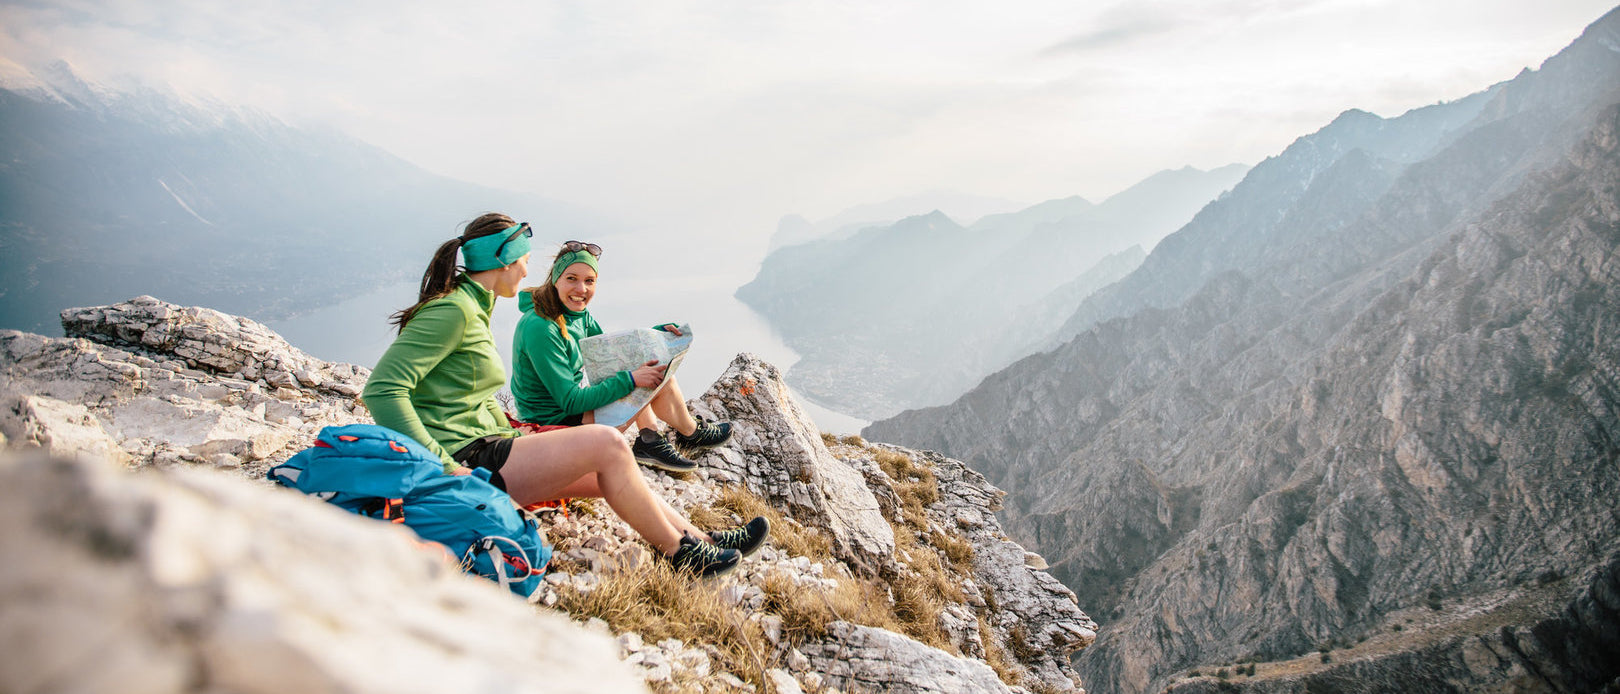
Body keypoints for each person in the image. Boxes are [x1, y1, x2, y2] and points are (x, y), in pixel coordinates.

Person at [361, 213, 766, 577]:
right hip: (469, 458)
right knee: (608, 445)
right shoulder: (455, 310)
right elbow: (383, 390)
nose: (526, 270)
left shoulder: (474, 305)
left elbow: (471, 394)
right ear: (504, 261)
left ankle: (700, 542)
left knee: (608, 473)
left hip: (490, 443)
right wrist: (445, 466)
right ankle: (681, 554)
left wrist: (513, 431)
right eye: (523, 260)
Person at [509, 241, 733, 472]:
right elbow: (571, 401)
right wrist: (632, 379)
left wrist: (655, 336)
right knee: (642, 377)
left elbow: (613, 356)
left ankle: (657, 438)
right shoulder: (541, 328)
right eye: (571, 279)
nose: (581, 289)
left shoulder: (577, 315)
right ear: (556, 279)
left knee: (652, 368)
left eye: (589, 281)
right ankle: (683, 435)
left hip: (571, 417)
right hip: (555, 430)